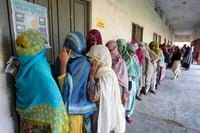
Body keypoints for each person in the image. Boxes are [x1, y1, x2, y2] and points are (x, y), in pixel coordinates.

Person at [13, 30, 69, 133]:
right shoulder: (27, 64)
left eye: (23, 47)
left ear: (34, 49)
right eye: (17, 45)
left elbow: (54, 97)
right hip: (27, 121)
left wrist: (55, 117)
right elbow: (25, 85)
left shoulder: (39, 69)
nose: (19, 50)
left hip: (40, 124)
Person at [54, 32, 97, 133]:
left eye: (71, 46)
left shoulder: (83, 63)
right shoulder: (61, 59)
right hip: (60, 108)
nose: (68, 49)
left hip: (74, 110)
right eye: (66, 45)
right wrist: (63, 62)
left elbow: (68, 91)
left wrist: (64, 65)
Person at [87, 45, 126, 133]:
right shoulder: (107, 71)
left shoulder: (105, 75)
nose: (89, 61)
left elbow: (94, 96)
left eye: (91, 58)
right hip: (104, 113)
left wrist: (91, 77)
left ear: (99, 59)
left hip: (101, 114)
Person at [117, 39, 137, 124]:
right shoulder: (115, 56)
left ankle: (127, 115)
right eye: (118, 47)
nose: (120, 49)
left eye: (122, 47)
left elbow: (129, 74)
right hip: (118, 85)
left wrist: (128, 88)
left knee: (127, 101)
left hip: (128, 83)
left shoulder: (127, 58)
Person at [106, 41, 129, 106]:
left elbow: (124, 80)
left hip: (119, 90)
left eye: (111, 50)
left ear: (115, 49)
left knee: (118, 108)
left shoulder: (121, 62)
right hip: (108, 89)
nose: (109, 52)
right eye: (108, 50)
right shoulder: (106, 60)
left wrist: (125, 93)